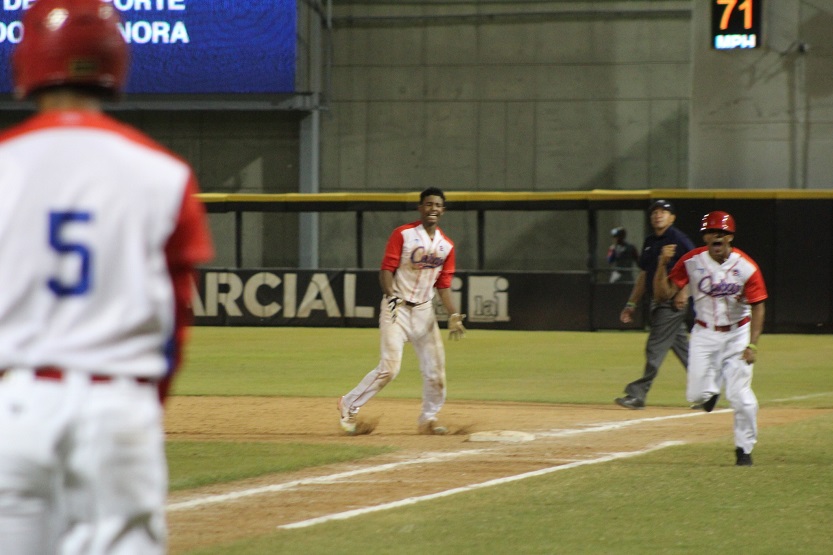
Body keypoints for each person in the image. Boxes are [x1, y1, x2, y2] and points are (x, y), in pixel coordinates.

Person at [0, 1, 214, 553]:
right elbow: (176, 322)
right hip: (118, 411)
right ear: (115, 59)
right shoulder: (165, 174)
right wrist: (141, 405)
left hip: (16, 409)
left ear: (27, 58)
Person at [338, 187, 466, 436]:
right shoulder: (404, 234)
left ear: (443, 210)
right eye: (428, 204)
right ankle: (348, 404)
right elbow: (386, 269)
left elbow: (444, 285)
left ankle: (428, 418)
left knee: (435, 371)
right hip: (397, 307)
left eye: (437, 205)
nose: (433, 209)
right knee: (390, 368)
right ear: (420, 208)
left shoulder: (446, 246)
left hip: (424, 312)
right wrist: (391, 298)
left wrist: (453, 314)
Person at [654, 211, 767, 466]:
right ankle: (710, 393)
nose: (716, 235)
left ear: (730, 237)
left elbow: (759, 305)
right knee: (696, 396)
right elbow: (663, 295)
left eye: (722, 232)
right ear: (705, 237)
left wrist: (752, 343)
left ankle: (744, 450)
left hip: (738, 334)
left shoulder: (746, 266)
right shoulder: (692, 261)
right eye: (710, 231)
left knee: (741, 397)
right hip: (704, 334)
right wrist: (662, 265)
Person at [615, 200, 695, 409]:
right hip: (656, 300)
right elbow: (644, 275)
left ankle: (637, 394)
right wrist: (631, 303)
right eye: (654, 212)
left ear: (672, 218)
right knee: (684, 351)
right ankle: (708, 391)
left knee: (655, 347)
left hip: (671, 302)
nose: (658, 215)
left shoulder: (679, 239)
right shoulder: (650, 241)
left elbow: (696, 266)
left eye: (663, 212)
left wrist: (684, 291)